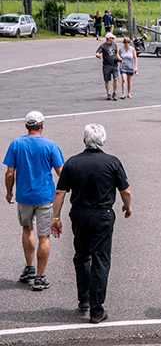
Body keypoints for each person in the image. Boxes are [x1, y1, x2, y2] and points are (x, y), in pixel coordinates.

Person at [50, 124, 132, 324]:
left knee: (81, 256)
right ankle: (96, 309)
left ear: (84, 141)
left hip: (79, 213)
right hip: (102, 214)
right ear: (103, 140)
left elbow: (60, 192)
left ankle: (84, 298)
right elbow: (126, 191)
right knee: (101, 259)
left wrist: (55, 218)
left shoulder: (72, 163)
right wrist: (127, 207)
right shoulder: (112, 162)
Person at [3, 111, 64, 291]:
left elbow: (9, 173)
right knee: (44, 235)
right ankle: (40, 277)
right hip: (45, 196)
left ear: (26, 126)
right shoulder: (50, 145)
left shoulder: (16, 144)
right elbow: (62, 172)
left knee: (27, 229)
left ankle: (29, 267)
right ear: (42, 125)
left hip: (24, 196)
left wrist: (9, 192)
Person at [96, 33, 121, 101]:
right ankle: (108, 93)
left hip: (114, 64)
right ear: (109, 38)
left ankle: (114, 93)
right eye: (112, 38)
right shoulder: (103, 46)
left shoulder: (114, 45)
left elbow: (116, 53)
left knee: (116, 78)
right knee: (107, 80)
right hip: (106, 65)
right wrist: (98, 55)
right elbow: (98, 53)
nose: (113, 39)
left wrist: (120, 59)